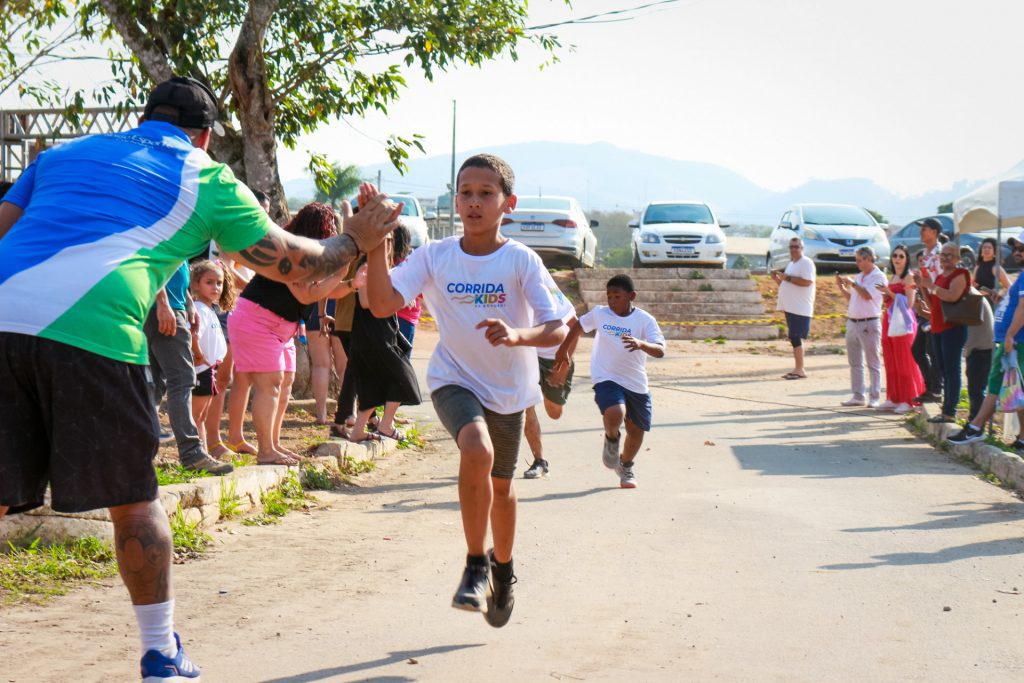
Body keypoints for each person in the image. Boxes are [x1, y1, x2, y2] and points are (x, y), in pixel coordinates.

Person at [0, 75, 399, 680]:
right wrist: (360, 238)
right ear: (206, 135)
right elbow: (298, 265)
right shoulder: (206, 177)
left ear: (142, 119)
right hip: (96, 326)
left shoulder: (61, 155)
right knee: (133, 504)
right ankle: (161, 653)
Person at [365, 153, 568, 628]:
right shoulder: (436, 256)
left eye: (485, 193)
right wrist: (375, 244)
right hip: (453, 378)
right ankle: (476, 563)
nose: (473, 202)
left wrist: (518, 336)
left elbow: (557, 330)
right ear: (455, 200)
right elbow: (379, 304)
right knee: (474, 449)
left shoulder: (521, 260)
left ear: (508, 204)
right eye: (465, 193)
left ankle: (503, 567)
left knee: (501, 483)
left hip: (509, 389)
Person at [228, 202, 358, 465]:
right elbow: (306, 293)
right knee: (271, 384)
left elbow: (327, 290)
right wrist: (342, 271)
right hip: (258, 320)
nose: (332, 235)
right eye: (330, 229)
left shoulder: (312, 258)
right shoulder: (291, 253)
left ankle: (273, 445)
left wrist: (352, 282)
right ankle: (265, 451)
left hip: (282, 327)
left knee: (284, 384)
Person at [553, 274, 665, 489]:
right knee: (615, 412)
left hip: (636, 382)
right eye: (609, 297)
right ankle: (612, 439)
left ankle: (625, 465)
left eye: (617, 296)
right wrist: (562, 350)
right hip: (606, 377)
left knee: (636, 431)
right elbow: (577, 326)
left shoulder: (645, 320)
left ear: (631, 296)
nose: (612, 301)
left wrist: (641, 344)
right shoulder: (600, 314)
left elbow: (660, 350)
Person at [346, 233, 422, 444]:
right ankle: (386, 424)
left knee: (377, 384)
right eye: (382, 241)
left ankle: (361, 430)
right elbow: (365, 302)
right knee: (402, 376)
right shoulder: (367, 266)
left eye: (389, 241)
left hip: (383, 333)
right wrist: (395, 300)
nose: (387, 245)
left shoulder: (383, 267)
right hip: (372, 335)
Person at [948, 239, 1024, 447]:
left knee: (996, 384)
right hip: (1013, 340)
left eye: (1021, 249)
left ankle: (975, 427)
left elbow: (1023, 308)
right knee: (1016, 389)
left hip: (1016, 341)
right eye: (1015, 248)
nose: (1016, 252)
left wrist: (1009, 335)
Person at [915, 242, 971, 423]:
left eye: (950, 255)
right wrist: (923, 287)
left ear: (958, 259)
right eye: (944, 255)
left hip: (953, 329)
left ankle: (949, 411)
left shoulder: (961, 274)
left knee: (952, 370)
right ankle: (946, 408)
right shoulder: (939, 277)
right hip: (938, 328)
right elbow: (934, 305)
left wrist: (931, 287)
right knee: (943, 369)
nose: (946, 258)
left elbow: (952, 296)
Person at [522, 310, 579, 479]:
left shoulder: (549, 292)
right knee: (527, 408)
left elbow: (576, 325)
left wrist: (565, 364)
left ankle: (546, 392)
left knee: (554, 412)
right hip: (527, 358)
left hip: (556, 360)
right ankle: (539, 461)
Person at [189, 259, 235, 452]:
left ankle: (205, 453)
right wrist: (199, 356)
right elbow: (193, 336)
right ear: (196, 285)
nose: (216, 287)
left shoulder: (210, 309)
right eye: (209, 282)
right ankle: (195, 453)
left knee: (202, 416)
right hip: (201, 370)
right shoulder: (200, 309)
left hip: (210, 370)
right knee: (195, 416)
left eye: (219, 283)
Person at [875, 244, 925, 413]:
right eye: (895, 256)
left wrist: (888, 292)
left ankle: (909, 399)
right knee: (891, 359)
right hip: (889, 319)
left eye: (901, 256)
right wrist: (885, 294)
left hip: (903, 322)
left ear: (907, 259)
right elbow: (892, 298)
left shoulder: (909, 277)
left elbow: (909, 303)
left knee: (905, 360)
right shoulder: (893, 277)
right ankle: (894, 397)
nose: (897, 259)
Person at [836, 247, 887, 407]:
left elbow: (867, 295)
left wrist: (854, 283)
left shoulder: (879, 277)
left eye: (859, 260)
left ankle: (874, 396)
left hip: (869, 322)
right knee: (855, 362)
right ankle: (858, 395)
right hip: (853, 322)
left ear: (869, 259)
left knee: (873, 362)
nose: (857, 263)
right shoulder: (859, 277)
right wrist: (843, 288)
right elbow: (854, 298)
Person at [771, 236, 816, 379]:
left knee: (796, 338)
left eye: (796, 247)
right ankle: (798, 368)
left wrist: (787, 278)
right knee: (793, 338)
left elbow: (807, 282)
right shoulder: (792, 264)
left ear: (802, 248)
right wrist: (777, 279)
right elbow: (786, 285)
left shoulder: (806, 263)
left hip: (800, 307)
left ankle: (800, 369)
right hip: (791, 307)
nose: (794, 249)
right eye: (791, 247)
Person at [911, 250, 942, 402]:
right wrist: (921, 287)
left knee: (933, 353)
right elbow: (927, 307)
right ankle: (930, 387)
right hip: (926, 320)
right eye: (920, 262)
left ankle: (936, 390)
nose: (921, 264)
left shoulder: (937, 275)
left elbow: (934, 309)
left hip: (935, 321)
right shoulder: (924, 278)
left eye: (924, 261)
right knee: (917, 350)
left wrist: (922, 309)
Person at [963, 294, 994, 422]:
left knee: (977, 391)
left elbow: (973, 332)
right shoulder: (972, 296)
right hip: (979, 349)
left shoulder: (971, 298)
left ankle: (976, 424)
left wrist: (967, 351)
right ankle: (975, 423)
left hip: (981, 350)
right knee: (975, 390)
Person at [973, 236, 1010, 303]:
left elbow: (1009, 286)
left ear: (994, 251)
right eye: (984, 247)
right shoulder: (978, 266)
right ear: (981, 250)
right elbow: (973, 283)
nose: (986, 249)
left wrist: (998, 292)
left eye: (989, 248)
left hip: (990, 303)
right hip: (977, 301)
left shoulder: (996, 268)